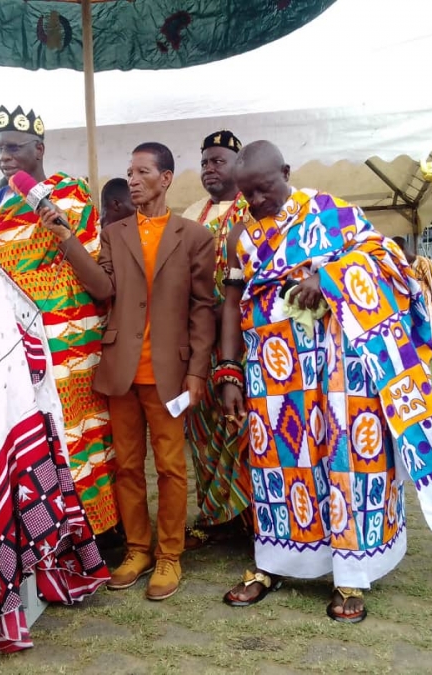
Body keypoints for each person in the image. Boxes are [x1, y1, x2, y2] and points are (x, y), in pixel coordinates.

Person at [219, 141, 432, 622]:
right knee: (278, 463)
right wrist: (229, 368)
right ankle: (273, 563)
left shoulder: (328, 211)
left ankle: (351, 573)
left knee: (347, 458)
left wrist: (329, 276)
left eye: (264, 188)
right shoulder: (240, 236)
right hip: (273, 372)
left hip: (340, 368)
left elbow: (385, 258)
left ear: (286, 172)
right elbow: (234, 301)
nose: (255, 201)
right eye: (247, 193)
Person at [37, 142, 216, 601]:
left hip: (169, 374)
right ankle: (137, 550)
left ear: (166, 177)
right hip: (120, 370)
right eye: (129, 172)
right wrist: (66, 238)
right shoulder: (113, 233)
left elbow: (202, 310)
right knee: (128, 468)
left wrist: (198, 373)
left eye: (142, 172)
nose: (132, 180)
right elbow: (102, 289)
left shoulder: (194, 236)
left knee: (173, 469)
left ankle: (169, 555)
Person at [0, 105, 119, 537]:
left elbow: (91, 257)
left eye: (13, 148)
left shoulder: (70, 192)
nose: (4, 156)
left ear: (39, 148)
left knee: (79, 431)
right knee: (33, 428)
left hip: (70, 333)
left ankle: (96, 530)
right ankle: (46, 530)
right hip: (15, 334)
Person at [182, 130, 253, 549]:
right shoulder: (193, 213)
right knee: (204, 427)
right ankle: (214, 515)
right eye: (205, 161)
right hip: (200, 339)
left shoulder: (257, 209)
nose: (210, 168)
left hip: (242, 337)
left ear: (238, 166)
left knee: (242, 422)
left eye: (219, 161)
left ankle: (250, 519)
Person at [392, 236, 432, 343]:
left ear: (401, 249)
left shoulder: (424, 263)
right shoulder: (401, 268)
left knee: (426, 350)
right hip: (410, 319)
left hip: (426, 315)